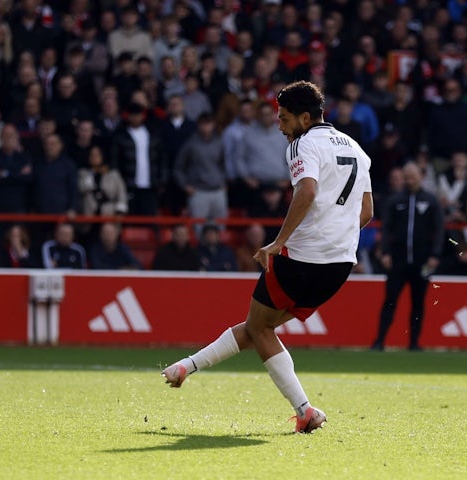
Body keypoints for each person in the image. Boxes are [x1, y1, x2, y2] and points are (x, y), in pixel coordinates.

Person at [161, 81, 374, 434]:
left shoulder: (302, 144)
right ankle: (185, 367)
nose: (279, 125)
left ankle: (305, 410)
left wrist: (279, 241)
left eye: (285, 118)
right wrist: (336, 235)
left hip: (302, 258)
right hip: (339, 265)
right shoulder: (356, 148)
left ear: (305, 118)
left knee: (260, 327)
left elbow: (307, 191)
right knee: (260, 327)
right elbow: (365, 212)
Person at [371, 162, 445, 352]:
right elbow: (386, 229)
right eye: (407, 177)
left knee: (418, 303)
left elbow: (439, 229)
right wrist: (385, 252)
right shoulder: (395, 200)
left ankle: (414, 343)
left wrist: (435, 255)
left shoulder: (430, 200)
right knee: (390, 300)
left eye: (413, 176)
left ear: (420, 176)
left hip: (422, 260)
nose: (410, 180)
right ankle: (379, 341)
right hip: (398, 259)